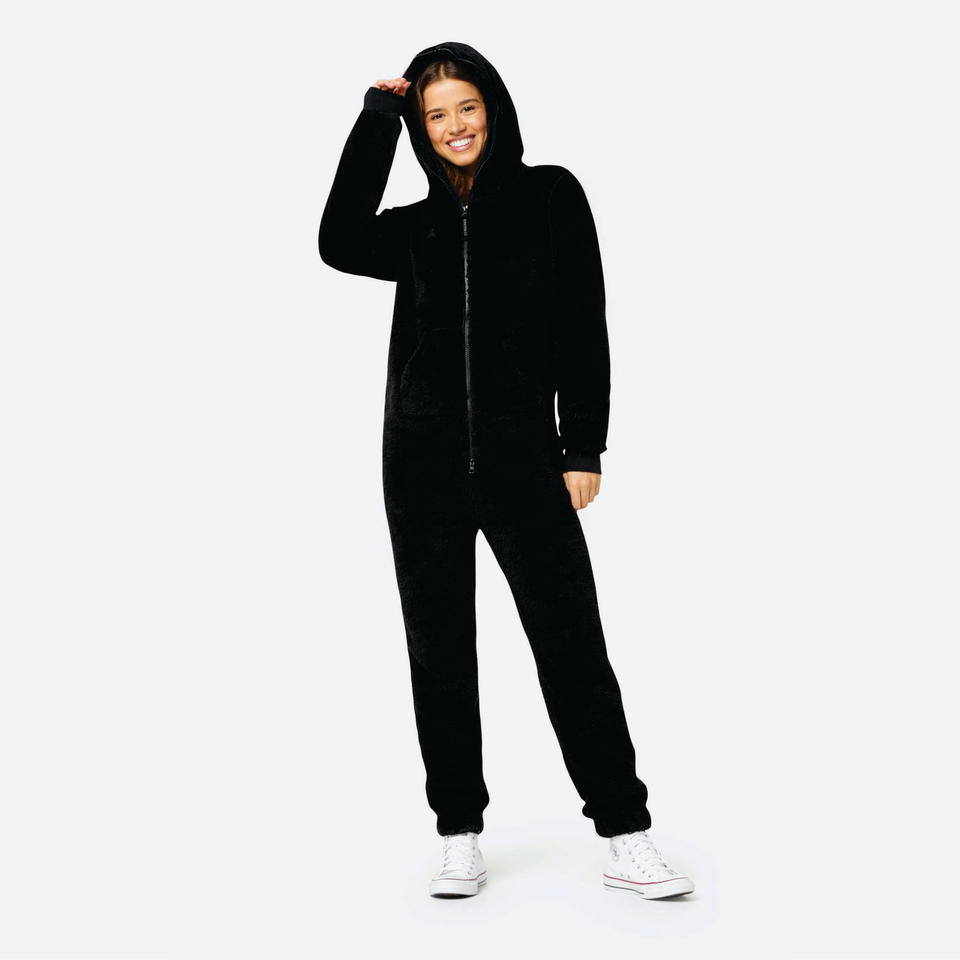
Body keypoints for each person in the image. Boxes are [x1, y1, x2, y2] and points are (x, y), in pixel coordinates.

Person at [318, 40, 694, 900]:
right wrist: (377, 119)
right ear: (422, 127)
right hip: (420, 464)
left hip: (526, 462)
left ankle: (625, 832)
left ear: (493, 108)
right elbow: (336, 240)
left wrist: (582, 446)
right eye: (435, 115)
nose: (454, 126)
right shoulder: (413, 228)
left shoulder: (551, 196)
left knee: (572, 644)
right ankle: (459, 832)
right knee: (439, 651)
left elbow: (584, 324)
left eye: (467, 107)